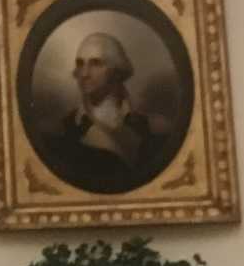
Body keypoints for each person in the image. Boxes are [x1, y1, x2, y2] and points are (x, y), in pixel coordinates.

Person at [36, 32, 176, 194]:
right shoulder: (58, 131)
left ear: (116, 71)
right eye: (80, 64)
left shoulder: (154, 128)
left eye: (95, 63)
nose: (84, 73)